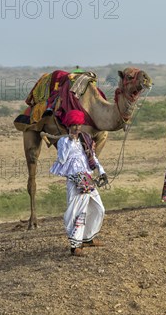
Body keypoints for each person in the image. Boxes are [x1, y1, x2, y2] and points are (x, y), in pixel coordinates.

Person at [49, 110, 107, 257]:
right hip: (75, 180)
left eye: (78, 124)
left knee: (99, 208)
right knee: (78, 212)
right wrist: (69, 141)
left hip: (87, 178)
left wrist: (102, 171)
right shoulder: (63, 141)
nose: (76, 127)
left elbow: (93, 157)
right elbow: (62, 159)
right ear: (69, 125)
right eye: (74, 125)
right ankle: (75, 245)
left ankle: (88, 238)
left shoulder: (85, 138)